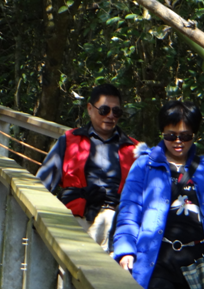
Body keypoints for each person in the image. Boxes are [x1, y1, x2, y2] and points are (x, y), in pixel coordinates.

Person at [112, 100, 204, 289]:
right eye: (171, 135)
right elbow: (129, 210)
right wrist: (125, 248)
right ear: (162, 133)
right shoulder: (145, 165)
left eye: (185, 135)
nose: (178, 141)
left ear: (194, 134)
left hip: (198, 264)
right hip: (158, 260)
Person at [37, 84, 138, 251]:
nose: (110, 116)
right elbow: (42, 182)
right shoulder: (69, 140)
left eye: (116, 112)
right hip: (75, 219)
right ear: (90, 109)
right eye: (104, 110)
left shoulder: (134, 148)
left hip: (116, 222)